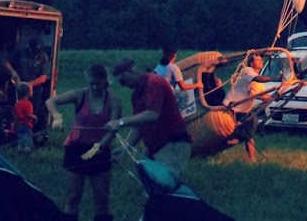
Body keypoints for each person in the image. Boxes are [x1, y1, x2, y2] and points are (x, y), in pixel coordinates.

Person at [48, 63, 120, 221]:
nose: (94, 87)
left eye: (98, 84)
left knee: (102, 200)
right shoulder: (80, 95)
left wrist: (97, 147)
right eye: (91, 83)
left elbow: (113, 129)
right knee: (73, 197)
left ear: (105, 82)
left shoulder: (114, 101)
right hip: (76, 149)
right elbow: (51, 101)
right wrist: (57, 117)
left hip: (100, 150)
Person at [108, 58, 191, 177]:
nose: (123, 85)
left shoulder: (154, 81)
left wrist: (120, 122)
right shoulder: (136, 94)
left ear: (130, 71)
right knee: (149, 185)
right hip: (154, 146)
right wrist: (124, 148)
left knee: (165, 185)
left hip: (172, 143)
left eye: (122, 81)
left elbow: (152, 114)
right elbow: (138, 127)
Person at [13, 82, 37, 154]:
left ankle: (19, 149)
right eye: (31, 91)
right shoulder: (28, 103)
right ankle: (27, 152)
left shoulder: (17, 103)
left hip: (19, 124)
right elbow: (29, 114)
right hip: (26, 125)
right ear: (28, 93)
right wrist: (35, 117)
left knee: (20, 137)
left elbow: (14, 114)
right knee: (27, 139)